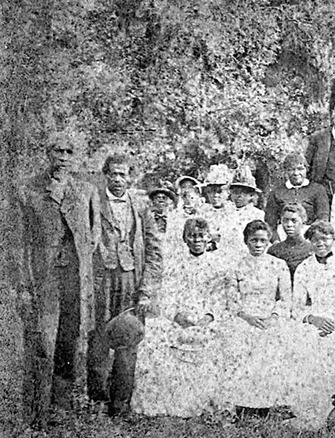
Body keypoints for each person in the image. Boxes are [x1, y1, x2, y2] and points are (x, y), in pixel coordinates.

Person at [12, 136, 101, 426]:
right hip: (44, 281)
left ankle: (61, 408)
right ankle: (35, 411)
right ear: (47, 154)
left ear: (76, 156)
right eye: (57, 151)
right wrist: (24, 288)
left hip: (74, 281)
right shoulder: (28, 191)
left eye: (69, 151)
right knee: (41, 343)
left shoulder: (86, 191)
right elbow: (19, 245)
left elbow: (93, 237)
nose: (63, 156)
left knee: (69, 341)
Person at [132, 218, 234, 417]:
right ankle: (166, 401)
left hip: (206, 316)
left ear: (208, 238)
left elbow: (220, 297)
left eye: (201, 236)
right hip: (179, 315)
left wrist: (208, 316)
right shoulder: (175, 265)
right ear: (185, 239)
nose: (197, 240)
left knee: (221, 340)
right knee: (154, 340)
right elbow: (169, 294)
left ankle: (206, 400)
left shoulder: (218, 265)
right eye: (192, 236)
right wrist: (178, 316)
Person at [91, 154, 162, 416]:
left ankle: (121, 403)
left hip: (131, 280)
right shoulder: (94, 200)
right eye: (113, 173)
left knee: (129, 337)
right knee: (98, 337)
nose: (118, 179)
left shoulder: (141, 206)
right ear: (105, 174)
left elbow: (154, 250)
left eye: (123, 174)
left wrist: (146, 290)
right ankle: (97, 400)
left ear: (130, 177)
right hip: (101, 279)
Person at [290, 221, 335, 428]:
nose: (320, 243)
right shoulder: (304, 268)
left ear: (333, 240)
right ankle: (314, 409)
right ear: (310, 242)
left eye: (325, 239)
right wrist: (314, 319)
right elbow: (297, 308)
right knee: (310, 350)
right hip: (315, 321)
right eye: (315, 240)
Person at [223, 220, 296, 421]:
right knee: (241, 339)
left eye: (262, 240)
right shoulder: (236, 265)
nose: (258, 244)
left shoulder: (278, 265)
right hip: (244, 316)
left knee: (274, 342)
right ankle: (244, 404)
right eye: (253, 240)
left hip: (270, 315)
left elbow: (285, 298)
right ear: (246, 241)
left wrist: (273, 316)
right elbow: (232, 300)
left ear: (269, 242)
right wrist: (247, 317)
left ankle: (269, 404)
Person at [265, 153, 330, 241]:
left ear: (306, 169)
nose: (296, 173)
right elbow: (270, 223)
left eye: (300, 169)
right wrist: (277, 242)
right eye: (291, 169)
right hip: (284, 235)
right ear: (285, 171)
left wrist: (310, 237)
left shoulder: (317, 189)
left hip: (310, 236)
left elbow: (323, 216)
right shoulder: (276, 192)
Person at [267, 204, 314, 287]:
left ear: (303, 221)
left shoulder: (312, 249)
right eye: (285, 220)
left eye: (294, 221)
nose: (289, 225)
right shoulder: (274, 250)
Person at [199, 164, 239, 253]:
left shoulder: (234, 212)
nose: (216, 195)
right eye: (212, 191)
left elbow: (235, 236)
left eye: (220, 191)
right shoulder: (201, 212)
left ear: (228, 193)